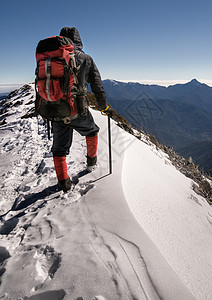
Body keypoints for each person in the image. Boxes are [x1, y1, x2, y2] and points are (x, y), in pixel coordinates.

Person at [51, 27, 111, 192]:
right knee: (91, 131)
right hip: (78, 109)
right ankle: (91, 163)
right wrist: (103, 106)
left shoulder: (51, 58)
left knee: (58, 149)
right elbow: (97, 87)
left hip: (55, 110)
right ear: (78, 40)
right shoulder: (86, 58)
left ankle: (63, 182)